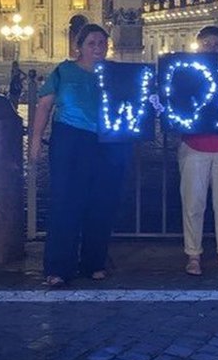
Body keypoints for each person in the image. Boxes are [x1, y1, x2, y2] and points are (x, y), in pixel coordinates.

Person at [28, 24, 142, 287]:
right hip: (70, 139)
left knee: (102, 202)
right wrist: (35, 140)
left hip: (107, 142)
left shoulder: (115, 73)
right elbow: (44, 106)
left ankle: (94, 262)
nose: (97, 48)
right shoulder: (63, 71)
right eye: (91, 43)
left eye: (102, 43)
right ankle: (58, 266)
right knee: (65, 202)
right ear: (79, 46)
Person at [177, 26, 218, 277]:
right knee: (193, 204)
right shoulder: (187, 74)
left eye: (216, 44)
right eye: (206, 43)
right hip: (194, 145)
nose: (212, 48)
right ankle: (193, 254)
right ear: (197, 45)